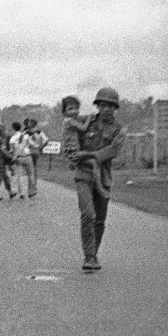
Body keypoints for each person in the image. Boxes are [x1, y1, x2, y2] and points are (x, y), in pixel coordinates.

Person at [68, 87, 127, 272]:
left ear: (115, 108)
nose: (107, 109)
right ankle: (89, 256)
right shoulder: (85, 123)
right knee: (88, 214)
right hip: (83, 175)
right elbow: (72, 145)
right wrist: (76, 155)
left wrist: (87, 154)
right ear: (98, 106)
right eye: (103, 105)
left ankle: (94, 254)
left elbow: (112, 151)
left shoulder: (119, 130)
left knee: (100, 220)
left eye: (110, 106)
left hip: (104, 177)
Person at [59, 95, 101, 186]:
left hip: (71, 151)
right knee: (95, 160)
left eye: (76, 108)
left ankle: (73, 164)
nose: (74, 111)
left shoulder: (69, 121)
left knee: (92, 163)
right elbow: (83, 128)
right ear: (64, 112)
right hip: (73, 152)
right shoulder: (69, 121)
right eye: (70, 109)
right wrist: (89, 118)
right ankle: (98, 186)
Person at [9, 121, 38, 198]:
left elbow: (11, 150)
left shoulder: (12, 139)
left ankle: (20, 192)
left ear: (13, 128)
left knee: (19, 175)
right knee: (31, 174)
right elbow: (33, 145)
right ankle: (32, 191)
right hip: (28, 157)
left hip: (19, 158)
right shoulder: (25, 136)